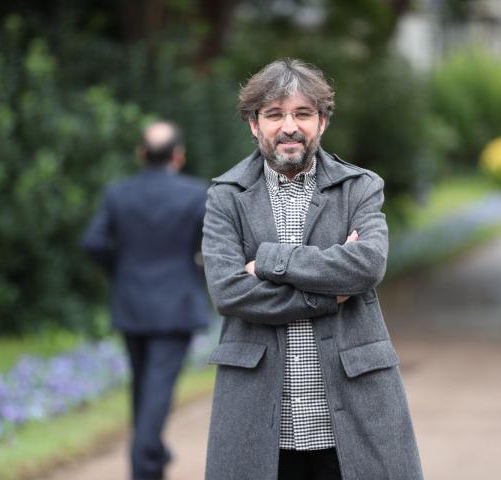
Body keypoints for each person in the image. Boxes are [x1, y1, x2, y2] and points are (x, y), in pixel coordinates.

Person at [201, 59, 423, 479]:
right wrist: (327, 295)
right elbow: (228, 290)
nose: (289, 127)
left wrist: (269, 261)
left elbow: (367, 264)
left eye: (302, 113)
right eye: (274, 115)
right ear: (254, 125)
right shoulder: (226, 196)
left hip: (353, 413)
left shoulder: (359, 187)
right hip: (258, 420)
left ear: (322, 121)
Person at [81, 121, 209, 480]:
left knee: (143, 386)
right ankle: (146, 458)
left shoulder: (119, 193)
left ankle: (149, 453)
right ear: (178, 156)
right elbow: (214, 245)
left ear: (141, 153)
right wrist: (196, 272)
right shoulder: (195, 193)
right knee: (156, 389)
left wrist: (120, 271)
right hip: (177, 304)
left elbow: (93, 242)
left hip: (132, 303)